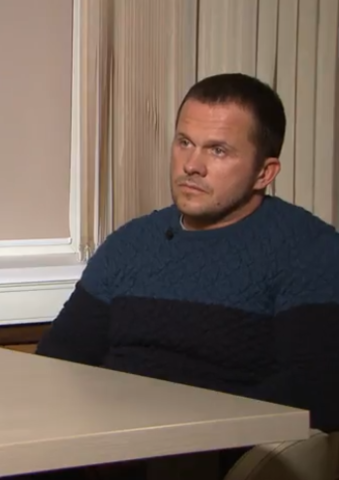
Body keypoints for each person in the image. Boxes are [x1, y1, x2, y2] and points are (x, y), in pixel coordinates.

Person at [35, 73, 339, 478]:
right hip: (98, 445)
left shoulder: (309, 249)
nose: (192, 165)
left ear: (264, 173)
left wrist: (185, 436)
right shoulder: (131, 244)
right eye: (184, 143)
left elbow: (317, 386)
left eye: (218, 150)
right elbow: (59, 361)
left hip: (202, 455)